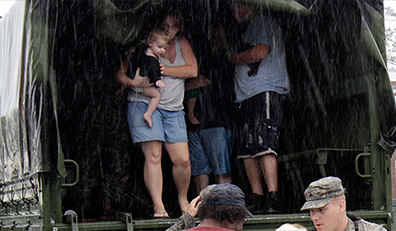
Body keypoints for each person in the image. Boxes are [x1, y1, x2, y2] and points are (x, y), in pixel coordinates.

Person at [116, 11, 197, 217]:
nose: (170, 32)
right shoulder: (142, 46)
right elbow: (119, 74)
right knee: (154, 155)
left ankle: (182, 198)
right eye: (167, 27)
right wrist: (134, 83)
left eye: (175, 27)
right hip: (143, 104)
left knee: (183, 160)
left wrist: (161, 71)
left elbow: (192, 70)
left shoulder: (181, 43)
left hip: (173, 108)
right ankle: (158, 206)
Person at [228, 1, 290, 214]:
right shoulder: (247, 27)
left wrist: (235, 57)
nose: (234, 11)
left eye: (237, 6)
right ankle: (257, 196)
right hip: (245, 94)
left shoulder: (262, 21)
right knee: (247, 147)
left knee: (264, 143)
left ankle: (273, 196)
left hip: (264, 89)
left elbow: (261, 51)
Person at [186, 23, 236, 194]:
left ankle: (227, 204)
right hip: (195, 123)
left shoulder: (226, 61)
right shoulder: (202, 56)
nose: (215, 40)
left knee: (221, 168)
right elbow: (195, 81)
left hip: (218, 121)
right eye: (213, 37)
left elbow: (202, 80)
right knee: (199, 170)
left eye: (218, 37)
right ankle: (204, 207)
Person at [126, 29, 168, 129]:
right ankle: (148, 114)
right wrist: (157, 80)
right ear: (150, 43)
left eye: (165, 48)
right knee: (157, 95)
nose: (162, 50)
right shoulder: (151, 59)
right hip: (142, 85)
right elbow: (152, 71)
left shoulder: (144, 52)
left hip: (139, 82)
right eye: (160, 47)